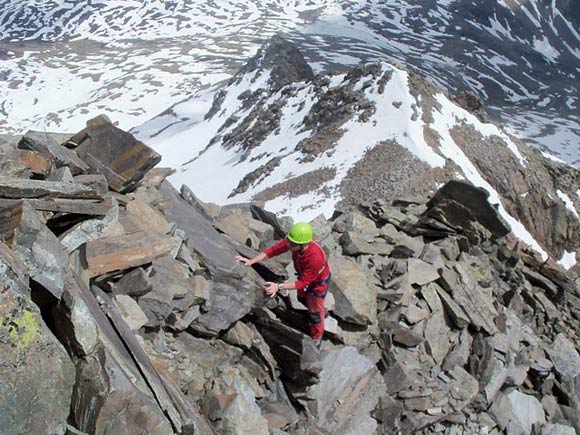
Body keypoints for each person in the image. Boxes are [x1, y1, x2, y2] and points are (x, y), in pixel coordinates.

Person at [235, 222, 331, 349]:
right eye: (289, 241)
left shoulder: (315, 257)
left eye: (292, 243)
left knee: (314, 313)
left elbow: (303, 283)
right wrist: (251, 261)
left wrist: (278, 286)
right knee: (302, 298)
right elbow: (273, 250)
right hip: (306, 277)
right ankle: (321, 311)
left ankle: (317, 337)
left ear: (303, 245)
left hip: (318, 283)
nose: (288, 244)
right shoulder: (295, 242)